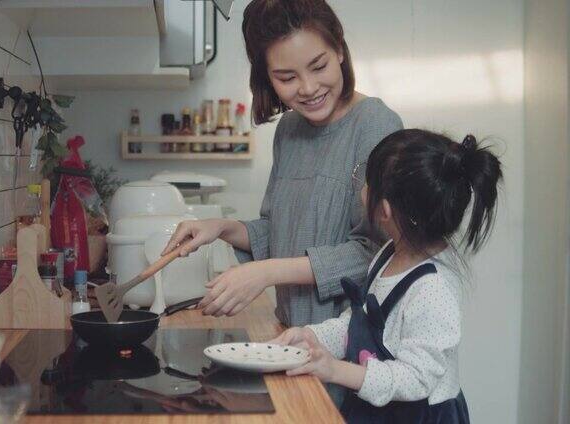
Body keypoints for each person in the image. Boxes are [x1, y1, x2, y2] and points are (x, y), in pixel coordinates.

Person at [162, 0, 403, 327]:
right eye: (287, 77)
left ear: (340, 50)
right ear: (268, 78)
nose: (308, 88)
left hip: (351, 346)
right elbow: (279, 231)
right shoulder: (289, 130)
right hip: (292, 332)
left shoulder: (376, 125)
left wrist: (266, 272)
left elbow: (379, 252)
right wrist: (220, 228)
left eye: (319, 66)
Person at [272, 129, 502, 422]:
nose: (361, 189)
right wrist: (312, 336)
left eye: (366, 182)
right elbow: (358, 325)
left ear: (384, 209)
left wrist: (335, 370)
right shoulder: (388, 254)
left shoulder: (433, 288)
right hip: (377, 408)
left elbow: (417, 379)